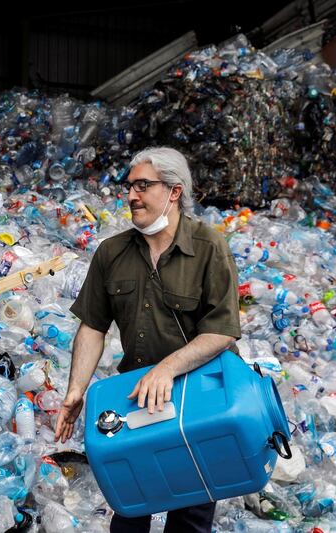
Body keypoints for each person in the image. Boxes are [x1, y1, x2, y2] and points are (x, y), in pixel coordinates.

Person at [54, 147, 241, 533]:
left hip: (198, 399)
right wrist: (75, 391)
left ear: (173, 192)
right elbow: (93, 326)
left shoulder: (208, 247)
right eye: (129, 186)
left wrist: (167, 370)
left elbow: (221, 330)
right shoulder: (112, 252)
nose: (131, 195)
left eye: (143, 185)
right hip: (139, 395)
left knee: (189, 516)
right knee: (130, 508)